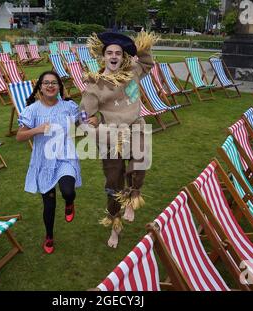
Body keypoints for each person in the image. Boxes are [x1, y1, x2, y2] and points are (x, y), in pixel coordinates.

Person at [79, 31, 157, 248]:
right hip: (111, 138)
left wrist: (140, 46)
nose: (113, 56)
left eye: (118, 52)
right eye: (109, 52)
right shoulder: (95, 85)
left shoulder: (132, 71)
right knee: (114, 186)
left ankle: (133, 196)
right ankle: (115, 226)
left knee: (141, 162)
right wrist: (96, 129)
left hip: (135, 129)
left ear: (123, 57)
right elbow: (83, 117)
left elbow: (147, 62)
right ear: (102, 57)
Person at [16, 71, 82, 254]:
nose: (50, 85)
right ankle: (49, 236)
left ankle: (70, 202)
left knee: (68, 190)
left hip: (65, 157)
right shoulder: (32, 110)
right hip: (44, 162)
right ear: (40, 87)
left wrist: (91, 120)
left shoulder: (69, 106)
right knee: (49, 205)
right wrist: (36, 129)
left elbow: (82, 122)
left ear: (60, 87)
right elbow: (20, 136)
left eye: (54, 83)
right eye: (46, 83)